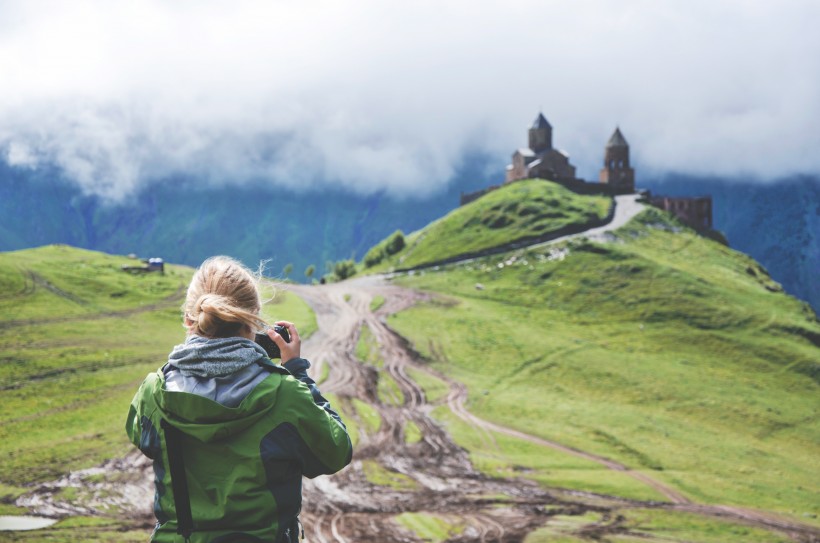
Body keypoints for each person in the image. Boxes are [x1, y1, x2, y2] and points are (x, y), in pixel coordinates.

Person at [125, 256, 352, 542]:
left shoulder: (153, 393)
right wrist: (297, 371)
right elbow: (335, 452)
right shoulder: (285, 393)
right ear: (253, 321)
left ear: (189, 319)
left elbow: (141, 437)